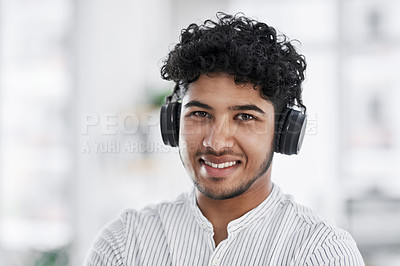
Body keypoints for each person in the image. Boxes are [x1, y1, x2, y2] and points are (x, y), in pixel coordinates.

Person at [85, 12, 365, 265]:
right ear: (173, 123)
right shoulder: (123, 245)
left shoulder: (322, 252)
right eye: (200, 114)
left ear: (283, 132)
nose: (216, 143)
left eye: (245, 117)